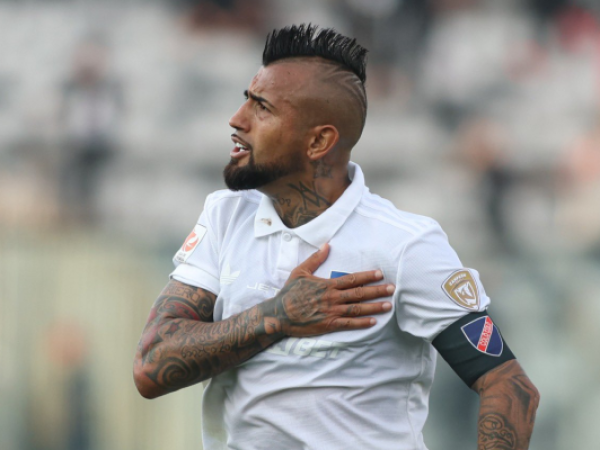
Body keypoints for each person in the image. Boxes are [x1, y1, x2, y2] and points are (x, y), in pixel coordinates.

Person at [134, 24, 539, 450]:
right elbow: (152, 365)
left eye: (262, 108)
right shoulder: (225, 216)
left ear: (319, 141)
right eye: (246, 100)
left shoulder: (404, 244)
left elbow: (509, 386)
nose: (237, 120)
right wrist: (276, 317)